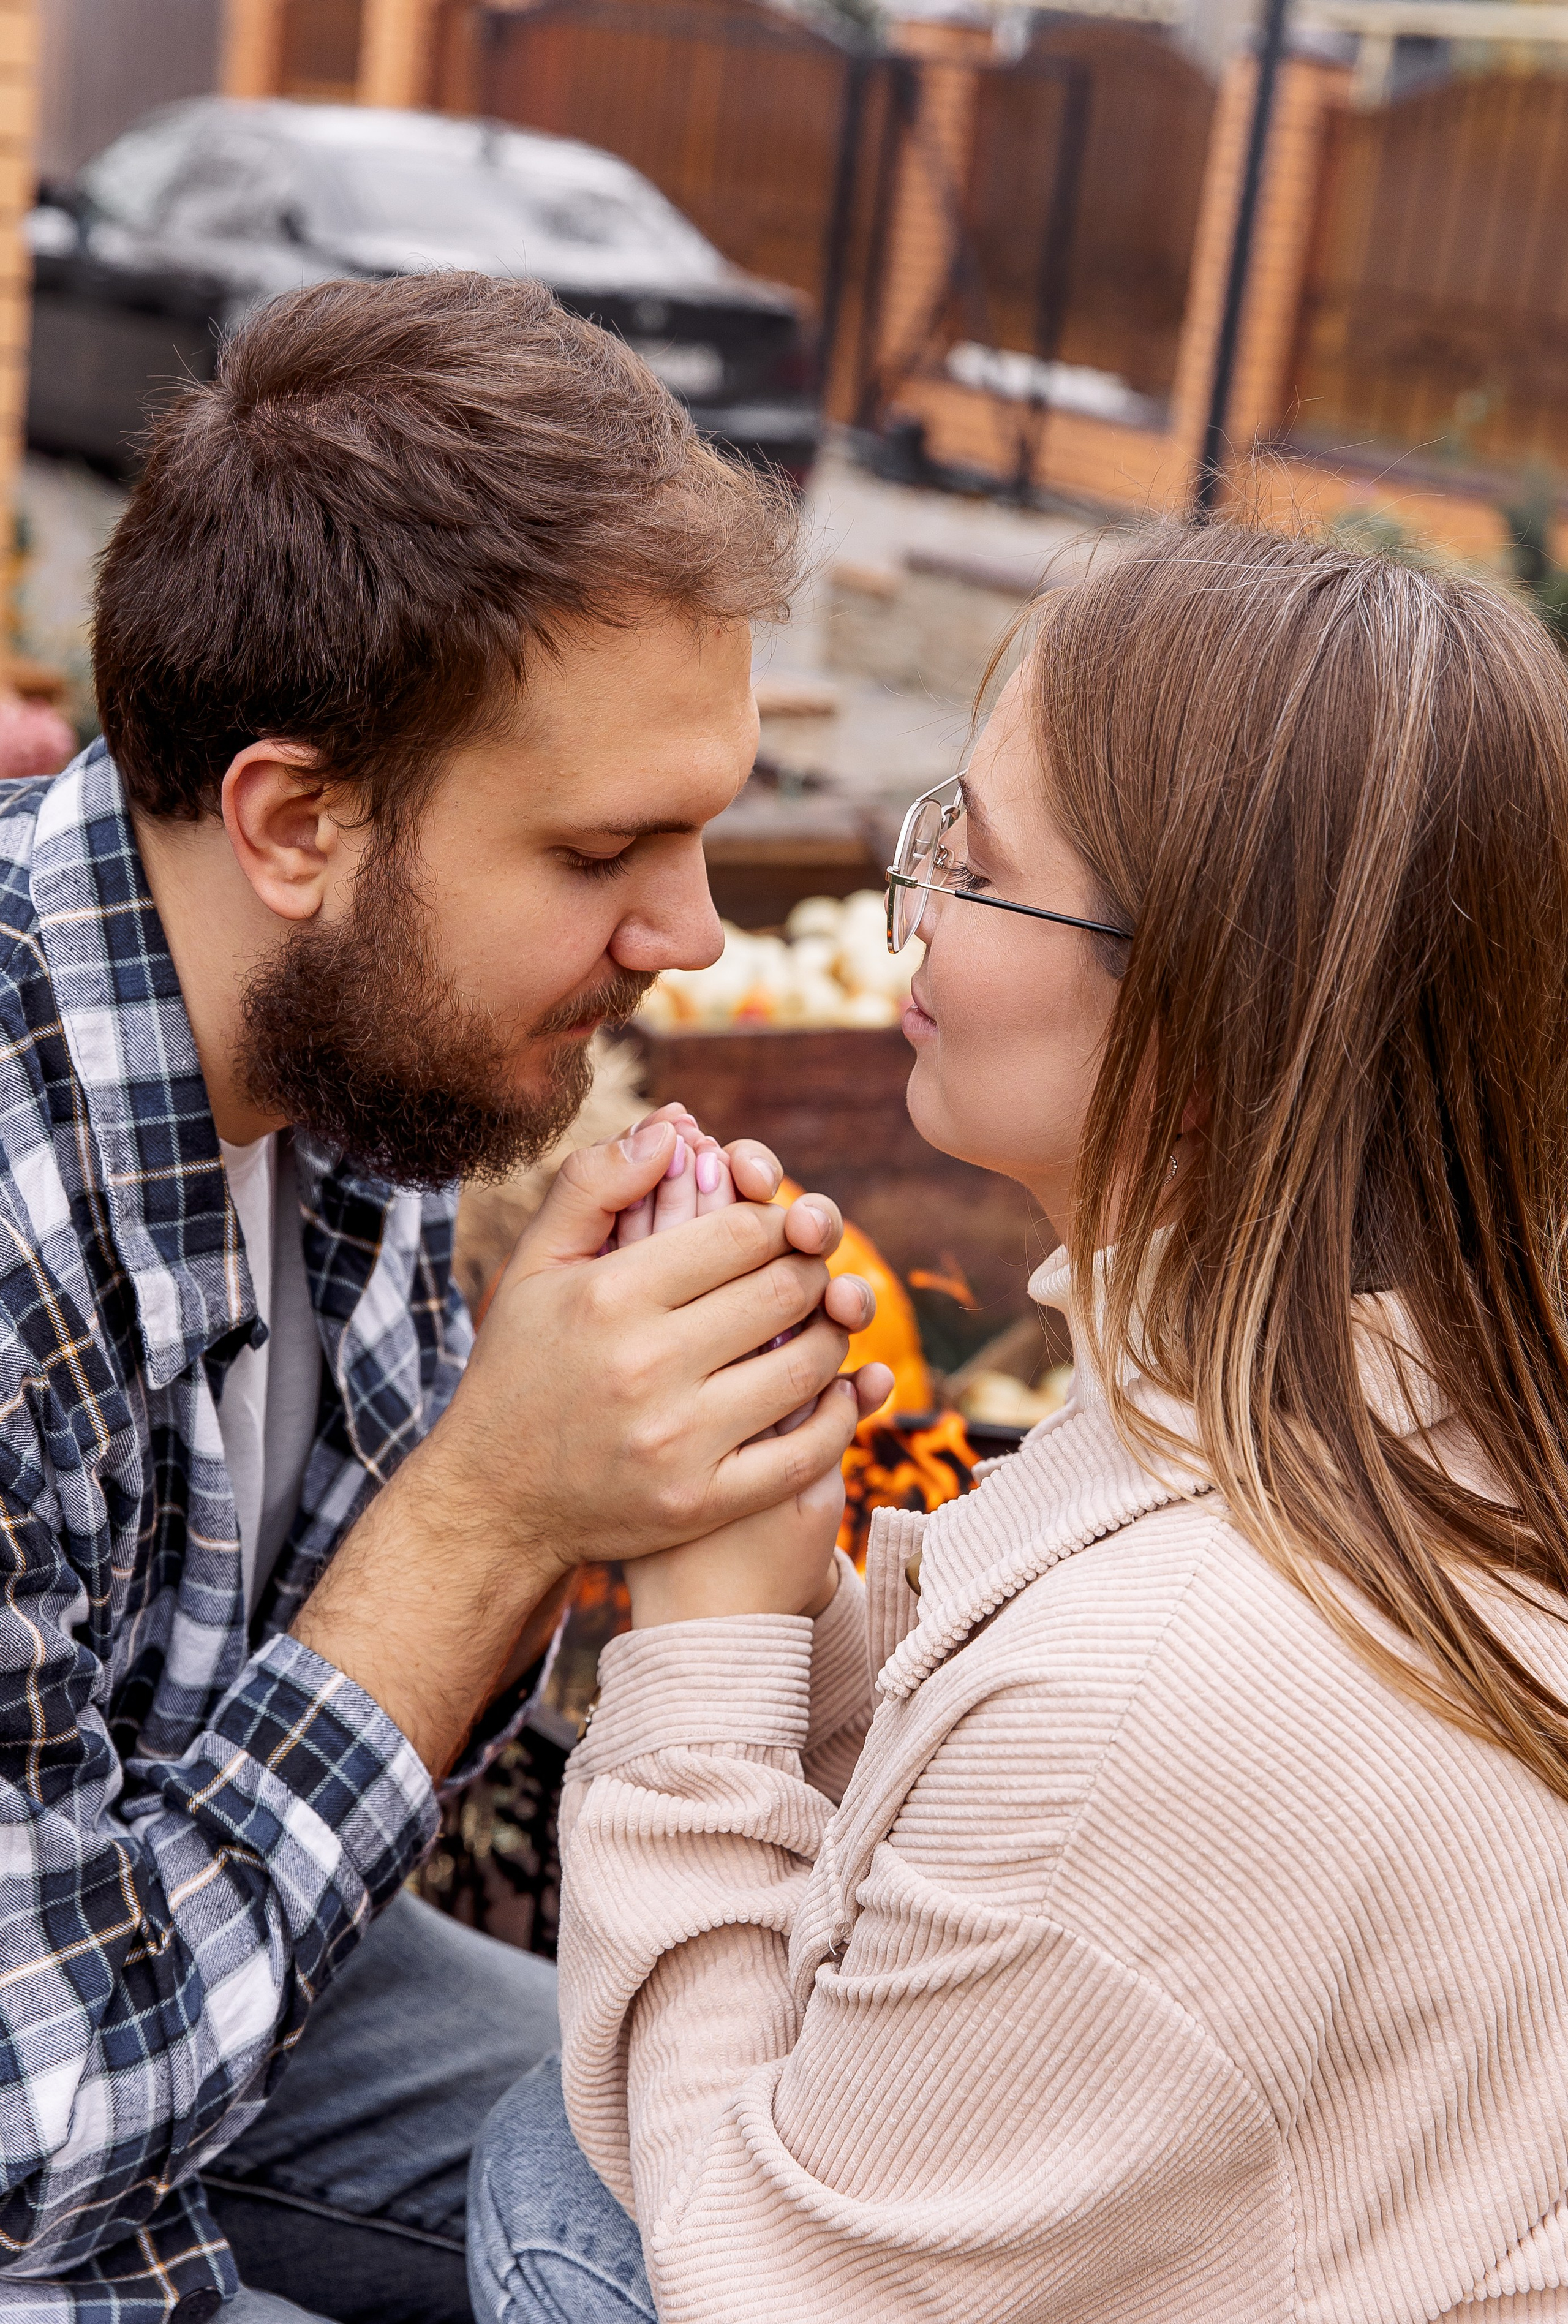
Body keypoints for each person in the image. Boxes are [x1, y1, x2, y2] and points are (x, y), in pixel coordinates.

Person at [477, 522, 1568, 2321]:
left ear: (1206, 1027)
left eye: (971, 867)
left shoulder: (1167, 1676)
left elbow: (764, 2280)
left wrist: (707, 1657)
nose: (916, 901)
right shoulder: (1411, 1404)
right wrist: (815, 1605)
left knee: (556, 2173)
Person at [0, 270, 891, 2323]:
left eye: (706, 834)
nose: (683, 931)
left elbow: (321, 1734)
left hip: (191, 1979)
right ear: (296, 818)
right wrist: (495, 1508)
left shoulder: (339, 1058)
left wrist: (603, 1474)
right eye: (605, 851)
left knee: (780, 2200)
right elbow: (39, 2123)